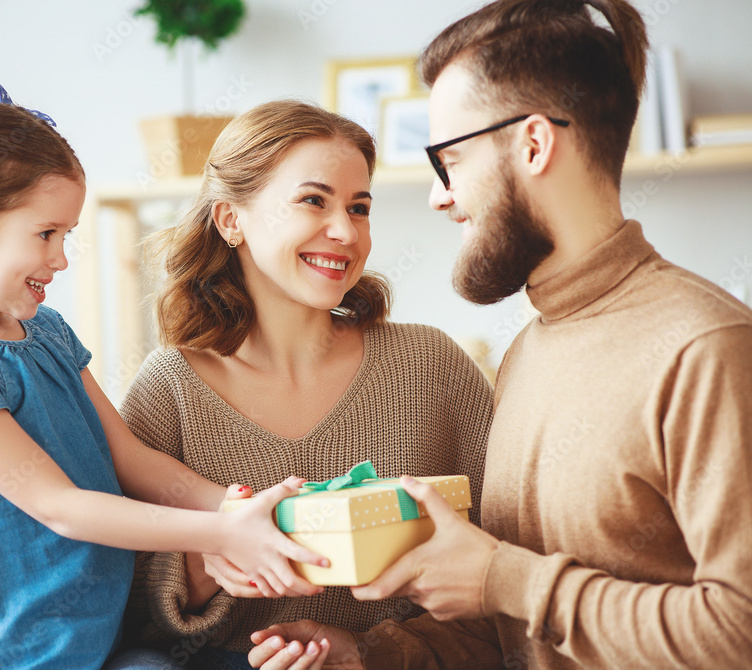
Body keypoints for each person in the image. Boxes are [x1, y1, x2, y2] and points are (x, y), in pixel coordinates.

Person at [247, 1, 752, 668]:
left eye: (450, 159)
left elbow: (739, 630)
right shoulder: (527, 352)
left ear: (534, 144)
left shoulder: (707, 349)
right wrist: (371, 654)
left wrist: (503, 578)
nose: (440, 197)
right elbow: (517, 623)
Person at [0, 80, 329, 670]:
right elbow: (61, 506)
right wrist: (216, 536)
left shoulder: (47, 333)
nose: (61, 257)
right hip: (29, 655)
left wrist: (232, 507)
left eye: (65, 235)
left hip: (108, 639)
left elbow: (130, 459)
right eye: (46, 234)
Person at [117, 99, 495, 669]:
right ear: (230, 220)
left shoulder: (431, 365)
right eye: (313, 200)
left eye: (360, 207)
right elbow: (122, 608)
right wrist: (211, 559)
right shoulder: (169, 390)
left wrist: (368, 651)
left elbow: (506, 564)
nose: (345, 231)